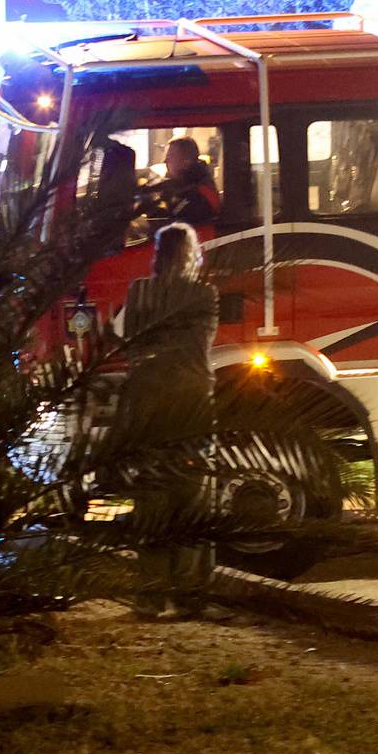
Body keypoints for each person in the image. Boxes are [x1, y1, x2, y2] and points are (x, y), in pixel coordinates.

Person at [117, 222, 219, 619]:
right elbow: (202, 344)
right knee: (192, 495)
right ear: (191, 254)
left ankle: (150, 596)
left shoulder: (138, 292)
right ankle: (190, 596)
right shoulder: (205, 295)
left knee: (151, 496)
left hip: (146, 400)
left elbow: (131, 341)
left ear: (157, 255)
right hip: (191, 401)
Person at [139, 137, 222, 227]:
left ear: (186, 161)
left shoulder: (198, 194)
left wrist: (151, 210)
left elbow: (175, 228)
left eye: (170, 156)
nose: (165, 161)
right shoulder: (182, 183)